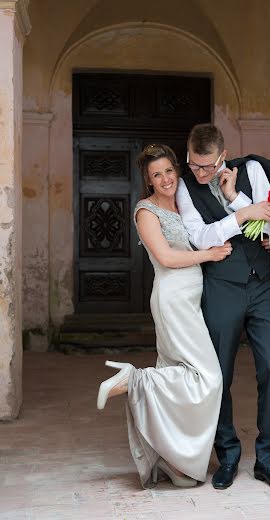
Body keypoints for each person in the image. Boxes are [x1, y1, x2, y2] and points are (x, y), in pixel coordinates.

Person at [97, 144, 232, 489]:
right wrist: (209, 255)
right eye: (156, 175)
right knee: (208, 378)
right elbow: (167, 258)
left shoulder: (184, 199)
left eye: (168, 170)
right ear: (148, 180)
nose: (165, 179)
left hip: (192, 298)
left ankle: (178, 462)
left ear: (177, 169)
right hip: (172, 298)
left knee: (176, 375)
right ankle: (132, 381)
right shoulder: (146, 211)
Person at [176, 124, 270, 494]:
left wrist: (233, 199)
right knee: (219, 374)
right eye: (194, 165)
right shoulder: (184, 185)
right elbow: (198, 235)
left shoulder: (255, 171)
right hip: (220, 287)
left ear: (222, 155)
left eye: (207, 166)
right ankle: (227, 455)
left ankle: (267, 459)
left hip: (262, 284)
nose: (200, 173)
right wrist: (242, 218)